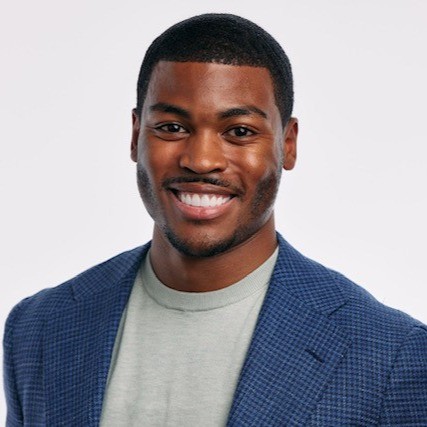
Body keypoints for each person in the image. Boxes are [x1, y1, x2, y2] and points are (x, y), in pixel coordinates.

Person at [3, 13, 427, 426]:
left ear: (288, 144)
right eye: (171, 127)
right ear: (135, 136)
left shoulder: (391, 356)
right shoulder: (40, 328)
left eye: (239, 131)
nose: (201, 159)